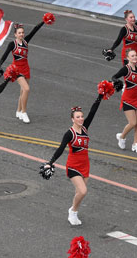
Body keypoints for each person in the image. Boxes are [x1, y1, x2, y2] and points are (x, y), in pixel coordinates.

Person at [42, 91, 104, 225]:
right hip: (73, 166)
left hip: (85, 165)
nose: (81, 119)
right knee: (83, 191)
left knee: (79, 193)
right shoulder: (69, 133)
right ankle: (73, 211)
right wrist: (50, 162)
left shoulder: (85, 128)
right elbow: (60, 148)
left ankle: (74, 210)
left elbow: (93, 112)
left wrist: (100, 96)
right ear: (72, 119)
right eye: (78, 117)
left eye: (82, 116)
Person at [0, 17, 48, 123]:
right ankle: (24, 112)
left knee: (23, 91)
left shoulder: (26, 41)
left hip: (26, 68)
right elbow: (5, 55)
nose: (21, 34)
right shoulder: (12, 44)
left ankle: (18, 111)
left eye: (22, 32)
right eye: (19, 33)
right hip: (16, 70)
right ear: (15, 34)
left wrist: (43, 21)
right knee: (27, 89)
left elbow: (34, 30)